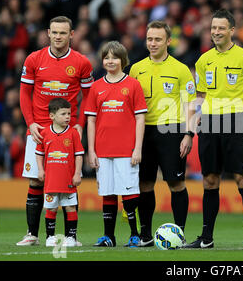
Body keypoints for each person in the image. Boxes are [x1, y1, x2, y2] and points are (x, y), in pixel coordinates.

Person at [184, 9, 243, 249]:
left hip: (235, 121)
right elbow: (201, 94)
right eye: (213, 28)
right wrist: (198, 115)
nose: (216, 32)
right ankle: (206, 238)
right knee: (209, 179)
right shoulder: (203, 60)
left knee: (242, 177)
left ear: (232, 31)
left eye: (221, 28)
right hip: (209, 121)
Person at [17, 16, 93, 246]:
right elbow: (24, 93)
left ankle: (71, 236)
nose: (58, 36)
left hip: (67, 132)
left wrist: (80, 124)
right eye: (55, 32)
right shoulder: (34, 59)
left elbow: (88, 96)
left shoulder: (81, 62)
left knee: (69, 181)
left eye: (63, 33)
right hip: (39, 130)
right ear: (48, 33)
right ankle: (32, 234)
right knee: (36, 181)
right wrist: (30, 123)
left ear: (71, 35)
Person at [128, 21, 196, 247]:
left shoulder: (181, 69)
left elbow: (191, 104)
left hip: (172, 131)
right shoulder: (136, 68)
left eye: (157, 39)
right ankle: (145, 235)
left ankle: (180, 233)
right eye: (149, 39)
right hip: (144, 132)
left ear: (168, 41)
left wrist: (188, 134)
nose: (153, 43)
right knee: (145, 184)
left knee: (175, 183)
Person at [85, 41, 147, 247]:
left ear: (123, 60)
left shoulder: (133, 85)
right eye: (107, 57)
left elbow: (140, 119)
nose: (110, 61)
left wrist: (137, 148)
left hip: (126, 150)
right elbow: (91, 121)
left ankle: (134, 235)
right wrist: (91, 150)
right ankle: (109, 237)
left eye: (114, 57)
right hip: (103, 150)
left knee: (129, 192)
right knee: (108, 192)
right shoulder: (96, 87)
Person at [35, 98, 84, 247]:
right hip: (51, 180)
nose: (67, 117)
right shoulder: (44, 133)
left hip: (68, 179)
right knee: (51, 208)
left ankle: (71, 237)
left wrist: (77, 173)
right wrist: (41, 170)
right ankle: (50, 237)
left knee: (70, 207)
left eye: (69, 113)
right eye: (63, 114)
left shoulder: (73, 133)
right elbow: (39, 153)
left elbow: (79, 155)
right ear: (52, 116)